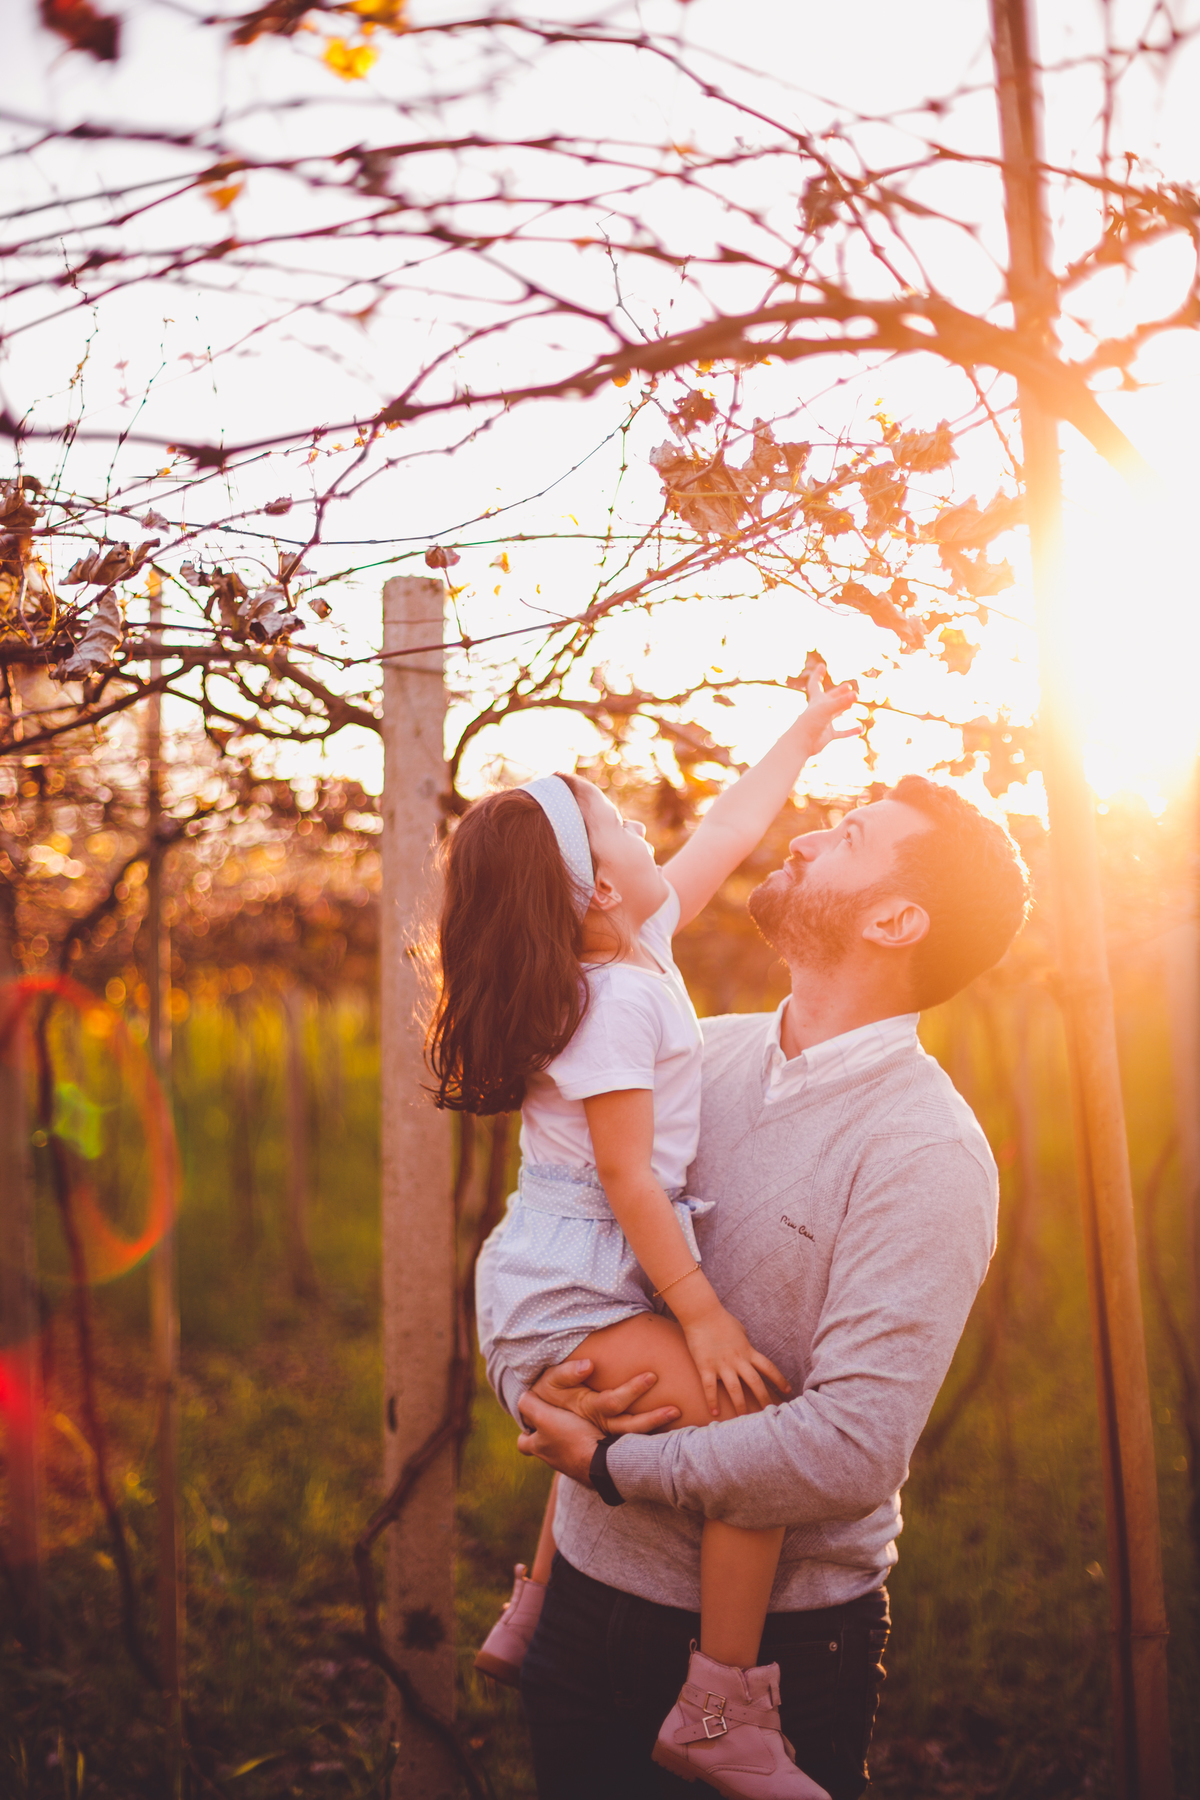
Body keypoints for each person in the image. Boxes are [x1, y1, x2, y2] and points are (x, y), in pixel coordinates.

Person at [508, 772, 1031, 1800]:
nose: (800, 841)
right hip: (580, 1602)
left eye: (845, 837)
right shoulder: (700, 1053)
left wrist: (614, 1463)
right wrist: (539, 1384)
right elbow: (573, 1246)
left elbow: (848, 1450)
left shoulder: (924, 1152)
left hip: (775, 1653)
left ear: (896, 917)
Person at [428, 674, 861, 1799]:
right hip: (569, 1288)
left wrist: (801, 739)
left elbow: (729, 824)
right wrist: (705, 1314)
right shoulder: (610, 1001)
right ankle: (721, 1703)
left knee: (648, 1412)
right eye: (619, 819)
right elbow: (627, 1177)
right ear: (596, 888)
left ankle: (533, 1608)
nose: (644, 825)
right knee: (748, 1428)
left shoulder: (636, 945)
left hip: (571, 1275)